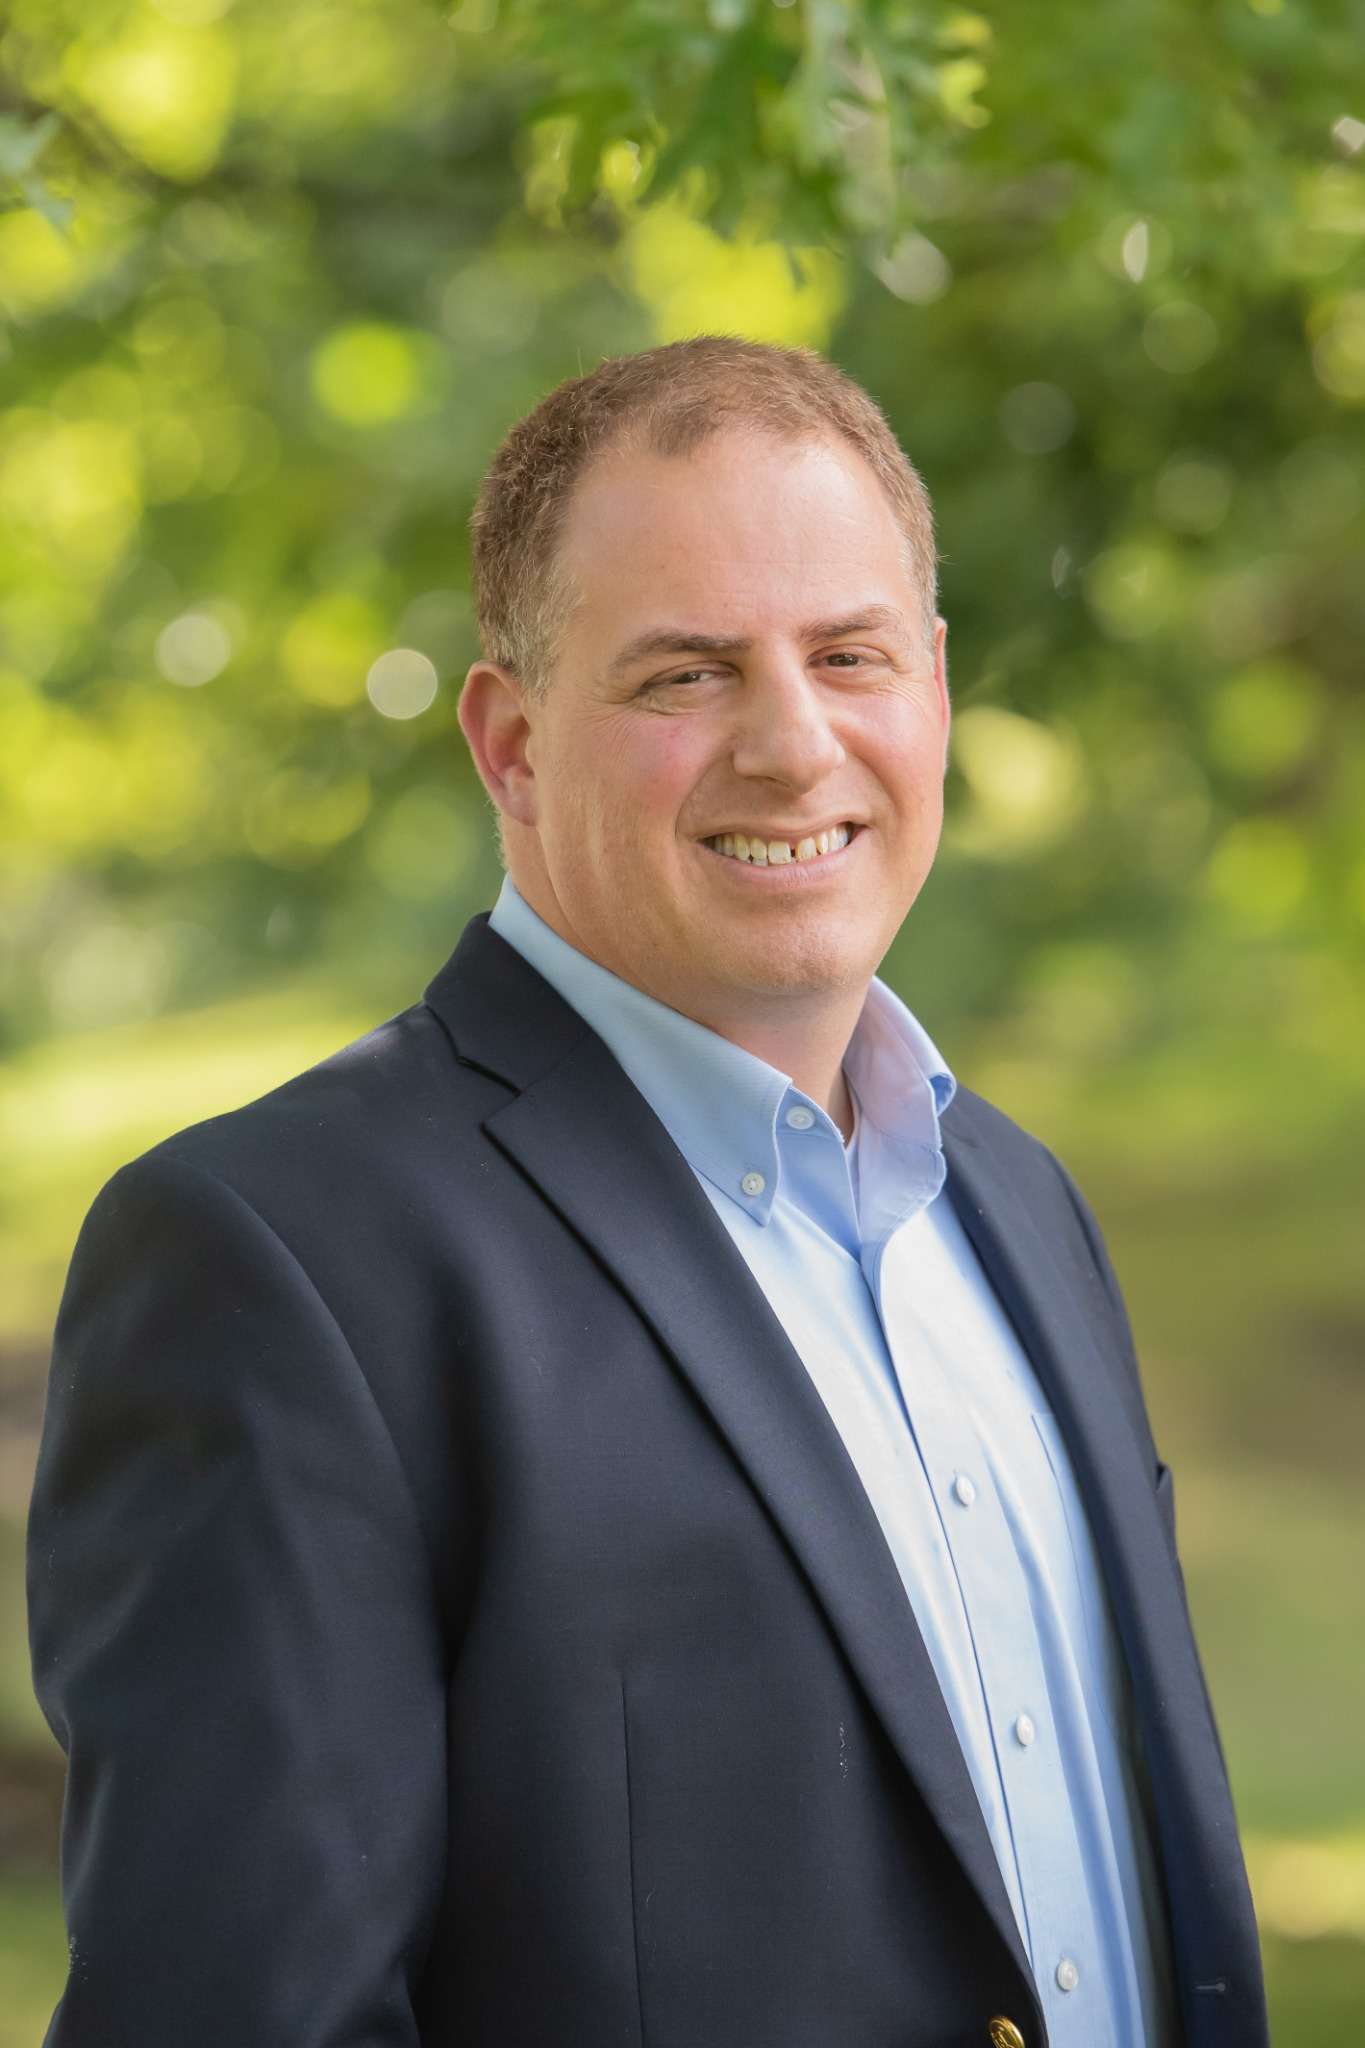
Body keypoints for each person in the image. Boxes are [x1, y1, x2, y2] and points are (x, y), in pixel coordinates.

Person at [27, 336, 1266, 2048]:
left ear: (937, 692)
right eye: (683, 676)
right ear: (513, 743)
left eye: (851, 654)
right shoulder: (280, 1261)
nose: (790, 742)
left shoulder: (1018, 1205)